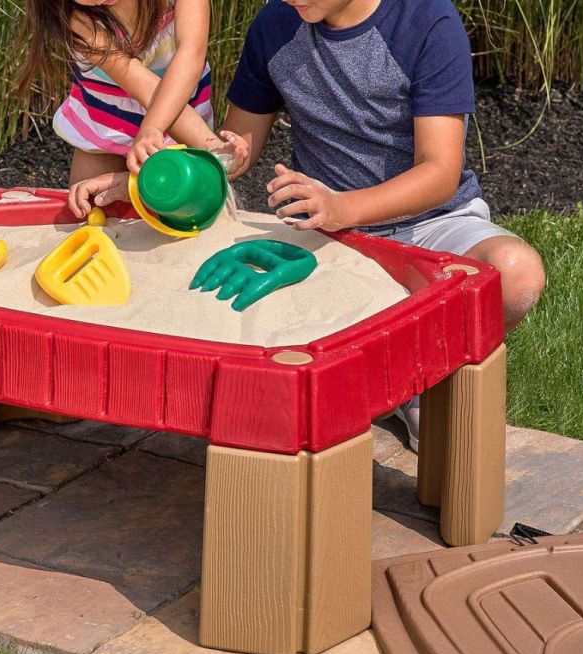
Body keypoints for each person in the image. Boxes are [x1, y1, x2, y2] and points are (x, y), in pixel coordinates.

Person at [72, 0, 546, 448]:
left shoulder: (427, 20)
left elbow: (439, 173)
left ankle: (423, 382)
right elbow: (231, 156)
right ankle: (392, 382)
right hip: (329, 239)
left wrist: (343, 207)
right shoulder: (278, 24)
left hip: (432, 224)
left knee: (516, 272)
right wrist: (139, 183)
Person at [17, 0, 247, 217]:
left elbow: (190, 56)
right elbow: (145, 87)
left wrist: (212, 148)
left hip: (176, 118)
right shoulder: (79, 19)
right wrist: (203, 145)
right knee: (91, 213)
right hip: (106, 128)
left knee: (177, 204)